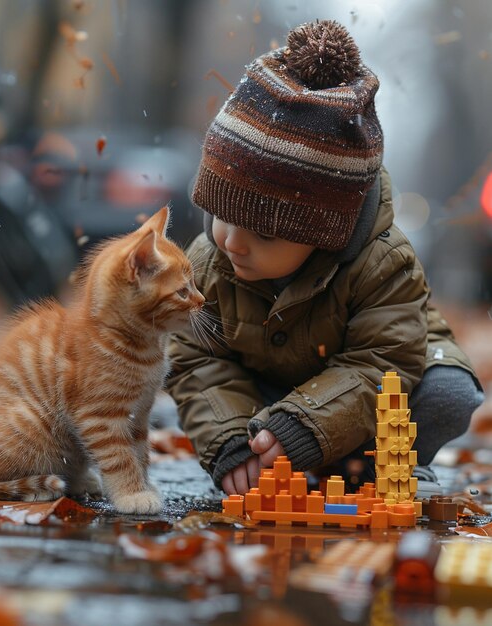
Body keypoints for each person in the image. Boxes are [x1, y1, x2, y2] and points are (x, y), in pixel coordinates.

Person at [166, 19, 483, 495]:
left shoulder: (383, 262)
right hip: (268, 397)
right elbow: (195, 361)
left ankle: (380, 465)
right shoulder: (210, 261)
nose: (231, 242)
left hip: (369, 392)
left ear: (324, 234)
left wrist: (303, 428)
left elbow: (382, 363)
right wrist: (230, 441)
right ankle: (278, 455)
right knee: (234, 409)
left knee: (447, 393)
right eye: (221, 215)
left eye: (264, 235)